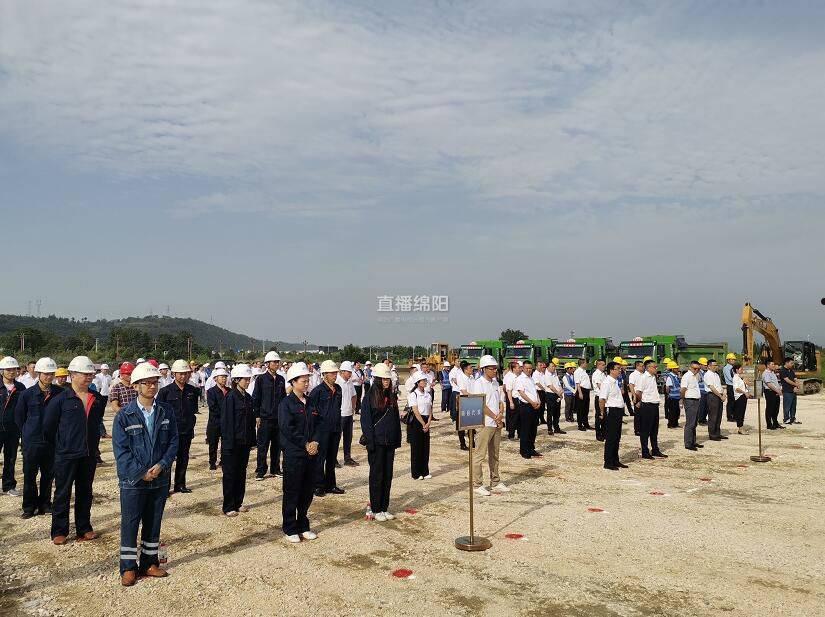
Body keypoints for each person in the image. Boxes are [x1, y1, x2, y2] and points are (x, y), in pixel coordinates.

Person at [112, 362, 179, 586]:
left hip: (159, 478)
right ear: (136, 386)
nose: (152, 386)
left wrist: (161, 465)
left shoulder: (166, 411)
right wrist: (141, 473)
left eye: (155, 382)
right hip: (133, 481)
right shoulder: (124, 416)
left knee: (153, 521)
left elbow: (173, 442)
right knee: (131, 522)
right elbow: (121, 452)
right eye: (146, 383)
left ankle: (150, 563)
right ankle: (128, 568)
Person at [43, 356, 106, 545]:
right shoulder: (60, 400)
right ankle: (59, 530)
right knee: (62, 492)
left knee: (85, 491)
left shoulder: (97, 400)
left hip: (88, 454)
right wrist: (62, 445)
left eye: (90, 374)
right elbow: (48, 427)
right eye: (84, 374)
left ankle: (84, 527)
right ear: (71, 375)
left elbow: (96, 425)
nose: (88, 377)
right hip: (66, 454)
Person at [279, 362, 320, 543]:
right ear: (293, 382)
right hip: (294, 454)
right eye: (303, 381)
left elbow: (319, 424)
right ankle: (290, 527)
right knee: (292, 491)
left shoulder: (310, 402)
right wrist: (305, 443)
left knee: (306, 491)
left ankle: (303, 525)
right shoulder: (286, 404)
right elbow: (288, 429)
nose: (306, 383)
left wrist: (316, 441)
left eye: (307, 380)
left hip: (310, 454)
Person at [14, 357, 60, 517]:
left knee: (48, 475)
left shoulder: (59, 394)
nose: (49, 377)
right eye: (46, 374)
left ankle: (45, 504)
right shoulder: (27, 394)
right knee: (29, 475)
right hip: (32, 442)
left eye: (51, 373)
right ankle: (29, 507)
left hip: (51, 442)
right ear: (39, 373)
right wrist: (28, 434)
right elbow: (19, 418)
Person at [360, 362, 401, 523]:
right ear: (377, 379)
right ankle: (376, 508)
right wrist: (370, 442)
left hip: (389, 441)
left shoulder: (391, 396)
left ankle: (384, 507)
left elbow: (396, 420)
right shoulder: (370, 397)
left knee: (388, 475)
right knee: (377, 476)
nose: (386, 381)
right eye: (383, 379)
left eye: (388, 379)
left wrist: (397, 439)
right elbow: (366, 422)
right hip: (376, 442)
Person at [156, 359, 199, 494]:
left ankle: (180, 484)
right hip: (169, 432)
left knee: (183, 458)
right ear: (173, 373)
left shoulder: (192, 391)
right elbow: (159, 412)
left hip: (186, 431)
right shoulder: (165, 392)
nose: (183, 376)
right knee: (167, 460)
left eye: (185, 373)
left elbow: (193, 411)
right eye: (180, 374)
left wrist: (191, 426)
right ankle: (165, 487)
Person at [220, 364, 256, 517]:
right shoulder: (231, 397)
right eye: (245, 379)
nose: (248, 382)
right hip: (232, 444)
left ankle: (238, 502)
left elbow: (251, 421)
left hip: (244, 442)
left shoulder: (247, 397)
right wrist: (228, 444)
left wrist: (252, 441)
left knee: (241, 473)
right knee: (230, 474)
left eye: (249, 379)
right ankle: (228, 506)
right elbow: (227, 422)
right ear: (236, 380)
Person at [471, 355, 509, 496]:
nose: (494, 370)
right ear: (484, 369)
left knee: (495, 454)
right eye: (491, 368)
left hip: (496, 422)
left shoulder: (494, 383)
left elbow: (500, 401)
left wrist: (500, 414)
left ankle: (495, 481)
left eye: (495, 368)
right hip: (485, 423)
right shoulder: (478, 383)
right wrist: (494, 416)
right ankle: (477, 484)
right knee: (480, 455)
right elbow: (480, 404)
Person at [308, 360, 344, 497]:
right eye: (332, 373)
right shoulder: (317, 392)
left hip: (335, 428)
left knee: (331, 458)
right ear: (324, 374)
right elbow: (312, 413)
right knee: (319, 459)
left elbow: (338, 407)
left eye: (336, 372)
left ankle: (331, 485)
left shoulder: (338, 389)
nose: (335, 375)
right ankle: (318, 485)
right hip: (321, 430)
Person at [252, 351, 287, 480]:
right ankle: (261, 470)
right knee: (262, 445)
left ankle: (275, 469)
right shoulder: (260, 379)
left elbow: (283, 399)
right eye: (274, 362)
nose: (277, 364)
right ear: (267, 364)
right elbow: (256, 398)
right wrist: (257, 415)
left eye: (278, 362)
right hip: (265, 418)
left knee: (277, 445)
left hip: (278, 419)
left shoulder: (281, 379)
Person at [0, 356, 25, 497]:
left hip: (13, 429)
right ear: (2, 371)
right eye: (8, 369)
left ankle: (9, 485)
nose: (11, 372)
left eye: (14, 369)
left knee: (11, 458)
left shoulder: (20, 388)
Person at [634, 360, 667, 459]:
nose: (656, 368)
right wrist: (640, 401)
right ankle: (645, 451)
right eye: (654, 367)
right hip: (647, 405)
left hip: (654, 405)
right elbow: (638, 392)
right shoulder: (643, 378)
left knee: (654, 430)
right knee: (645, 430)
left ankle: (655, 449)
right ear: (648, 367)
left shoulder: (653, 377)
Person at [598, 361, 627, 471]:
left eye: (620, 368)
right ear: (611, 370)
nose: (620, 370)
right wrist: (602, 413)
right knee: (611, 437)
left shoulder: (615, 382)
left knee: (617, 437)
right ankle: (608, 462)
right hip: (611, 411)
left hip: (618, 411)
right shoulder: (607, 382)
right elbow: (602, 399)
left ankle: (615, 459)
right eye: (617, 368)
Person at [407, 371, 432, 480]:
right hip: (417, 422)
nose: (425, 382)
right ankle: (416, 473)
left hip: (426, 420)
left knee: (425, 448)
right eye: (423, 380)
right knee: (416, 448)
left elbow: (430, 410)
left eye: (425, 380)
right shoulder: (414, 394)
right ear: (417, 382)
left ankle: (425, 471)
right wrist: (423, 423)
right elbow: (415, 410)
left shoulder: (428, 394)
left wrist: (428, 422)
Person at [514, 360, 541, 459]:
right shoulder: (520, 379)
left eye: (530, 368)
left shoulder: (531, 379)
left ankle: (531, 448)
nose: (529, 370)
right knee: (525, 429)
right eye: (527, 368)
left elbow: (535, 391)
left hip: (534, 406)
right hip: (526, 406)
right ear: (522, 368)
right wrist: (532, 402)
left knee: (533, 429)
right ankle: (524, 451)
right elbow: (522, 393)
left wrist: (538, 400)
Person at [206, 367, 229, 469]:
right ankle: (212, 462)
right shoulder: (211, 391)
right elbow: (212, 407)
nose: (224, 379)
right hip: (215, 422)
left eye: (225, 377)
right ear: (215, 379)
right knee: (213, 443)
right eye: (222, 377)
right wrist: (225, 414)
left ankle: (223, 460)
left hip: (226, 422)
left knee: (225, 442)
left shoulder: (230, 391)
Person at [336, 361, 359, 466]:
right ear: (342, 371)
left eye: (351, 372)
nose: (350, 374)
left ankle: (347, 458)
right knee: (336, 438)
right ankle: (333, 458)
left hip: (349, 414)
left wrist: (353, 408)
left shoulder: (349, 382)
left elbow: (354, 396)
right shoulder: (337, 382)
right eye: (348, 372)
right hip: (339, 415)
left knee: (348, 437)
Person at [680, 361, 704, 451]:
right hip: (690, 401)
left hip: (696, 400)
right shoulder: (687, 376)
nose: (696, 370)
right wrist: (682, 400)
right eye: (695, 368)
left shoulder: (694, 376)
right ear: (690, 367)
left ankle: (693, 441)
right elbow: (683, 389)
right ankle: (688, 443)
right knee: (690, 423)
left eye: (698, 369)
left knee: (694, 423)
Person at [703, 360, 727, 441]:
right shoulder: (707, 375)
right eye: (713, 365)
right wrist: (720, 396)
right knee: (713, 416)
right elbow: (712, 388)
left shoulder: (716, 374)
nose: (715, 366)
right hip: (713, 396)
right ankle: (712, 434)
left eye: (716, 365)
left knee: (719, 415)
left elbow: (719, 386)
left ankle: (717, 433)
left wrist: (723, 394)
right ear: (709, 366)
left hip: (719, 395)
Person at [452, 361, 474, 450]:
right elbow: (464, 391)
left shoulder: (472, 377)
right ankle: (462, 444)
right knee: (462, 425)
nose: (472, 370)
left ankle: (472, 441)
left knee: (472, 423)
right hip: (463, 401)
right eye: (470, 368)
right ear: (465, 370)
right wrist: (475, 397)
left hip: (472, 401)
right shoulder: (461, 377)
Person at [544, 359, 565, 435]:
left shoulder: (555, 373)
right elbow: (551, 386)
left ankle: (556, 428)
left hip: (557, 395)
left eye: (554, 366)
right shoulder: (546, 375)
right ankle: (550, 429)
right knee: (550, 413)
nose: (554, 368)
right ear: (548, 367)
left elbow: (558, 384)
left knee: (557, 413)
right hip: (551, 395)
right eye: (552, 366)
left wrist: (561, 391)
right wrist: (558, 393)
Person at [762, 360, 784, 430]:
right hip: (770, 392)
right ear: (768, 365)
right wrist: (777, 390)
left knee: (776, 408)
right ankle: (769, 424)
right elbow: (769, 384)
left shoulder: (773, 373)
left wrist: (779, 389)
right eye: (772, 364)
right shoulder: (766, 373)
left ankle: (775, 423)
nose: (774, 365)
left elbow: (776, 383)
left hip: (775, 392)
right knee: (770, 408)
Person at [780, 358, 800, 425]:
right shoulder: (783, 370)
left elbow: (795, 378)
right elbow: (787, 380)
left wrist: (797, 385)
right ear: (786, 363)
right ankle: (786, 419)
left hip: (793, 391)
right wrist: (795, 384)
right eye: (791, 363)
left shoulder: (791, 370)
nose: (792, 364)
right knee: (787, 406)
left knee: (793, 406)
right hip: (787, 391)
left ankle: (792, 418)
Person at [573, 359, 592, 431]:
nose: (587, 364)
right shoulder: (577, 372)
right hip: (581, 390)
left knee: (586, 409)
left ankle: (586, 423)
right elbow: (577, 383)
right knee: (580, 409)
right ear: (582, 364)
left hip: (586, 391)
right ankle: (580, 425)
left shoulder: (584, 371)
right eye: (586, 363)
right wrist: (580, 393)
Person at [627, 361, 645, 436]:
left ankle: (642, 428)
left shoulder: (643, 375)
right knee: (638, 414)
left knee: (643, 413)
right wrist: (634, 395)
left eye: (643, 366)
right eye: (641, 366)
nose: (643, 367)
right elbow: (631, 385)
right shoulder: (633, 375)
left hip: (643, 395)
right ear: (637, 366)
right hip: (637, 395)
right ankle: (637, 430)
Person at [590, 359, 606, 441]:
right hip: (599, 397)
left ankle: (604, 433)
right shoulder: (596, 374)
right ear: (598, 365)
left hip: (604, 397)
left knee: (604, 416)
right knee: (599, 416)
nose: (604, 366)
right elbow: (600, 386)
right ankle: (598, 434)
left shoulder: (603, 374)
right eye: (603, 365)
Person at [731, 364, 749, 434]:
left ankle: (741, 427)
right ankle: (740, 428)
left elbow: (745, 386)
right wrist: (744, 392)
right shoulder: (735, 377)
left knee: (742, 412)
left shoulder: (740, 377)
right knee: (740, 412)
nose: (742, 370)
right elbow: (736, 388)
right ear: (737, 370)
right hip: (740, 396)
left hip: (743, 396)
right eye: (741, 369)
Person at [664, 362, 682, 428]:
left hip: (677, 397)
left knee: (677, 411)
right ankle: (671, 424)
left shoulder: (676, 376)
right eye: (676, 368)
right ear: (672, 369)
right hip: (672, 398)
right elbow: (667, 388)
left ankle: (675, 423)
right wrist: (669, 394)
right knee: (672, 412)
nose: (678, 369)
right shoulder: (670, 377)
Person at [723, 353, 737, 422]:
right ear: (728, 360)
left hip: (734, 386)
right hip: (730, 386)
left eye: (734, 359)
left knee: (735, 401)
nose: (734, 361)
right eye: (732, 359)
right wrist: (737, 379)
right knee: (731, 401)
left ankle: (734, 415)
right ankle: (729, 416)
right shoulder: (726, 368)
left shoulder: (732, 368)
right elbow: (730, 378)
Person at [697, 358, 709, 426]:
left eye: (706, 365)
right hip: (701, 392)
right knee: (701, 407)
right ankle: (700, 420)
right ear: (700, 365)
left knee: (706, 407)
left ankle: (704, 419)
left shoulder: (705, 373)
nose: (705, 366)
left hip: (706, 392)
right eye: (704, 365)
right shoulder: (698, 373)